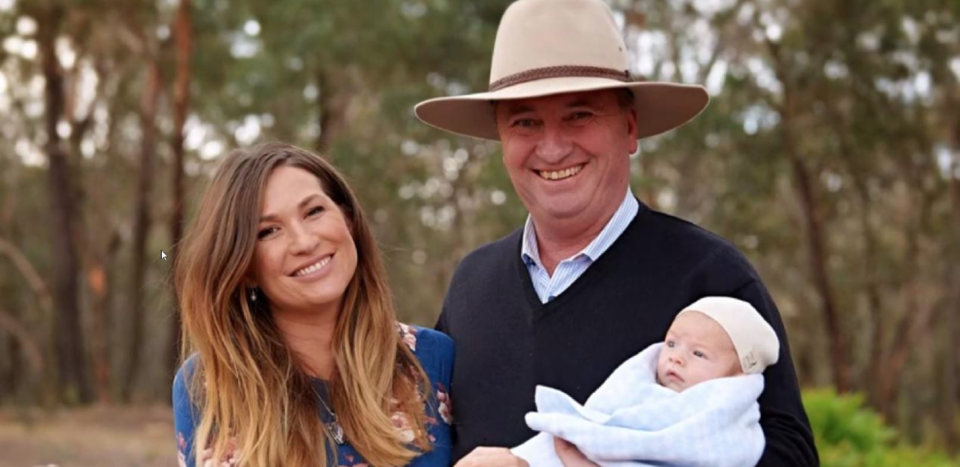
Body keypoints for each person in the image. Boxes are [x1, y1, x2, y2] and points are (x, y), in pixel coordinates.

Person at [413, 0, 818, 465]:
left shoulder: (711, 279)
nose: (552, 146)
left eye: (579, 115)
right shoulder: (473, 284)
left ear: (629, 128)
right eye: (525, 122)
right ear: (502, 140)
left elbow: (789, 456)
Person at [171, 143, 454, 467]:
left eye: (314, 211)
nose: (304, 242)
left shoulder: (434, 360)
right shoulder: (208, 383)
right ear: (245, 268)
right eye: (268, 231)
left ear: (348, 219)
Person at [513, 297, 780, 467]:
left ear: (737, 376)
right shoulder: (638, 388)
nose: (677, 358)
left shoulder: (722, 423)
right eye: (672, 343)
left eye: (699, 353)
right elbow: (602, 420)